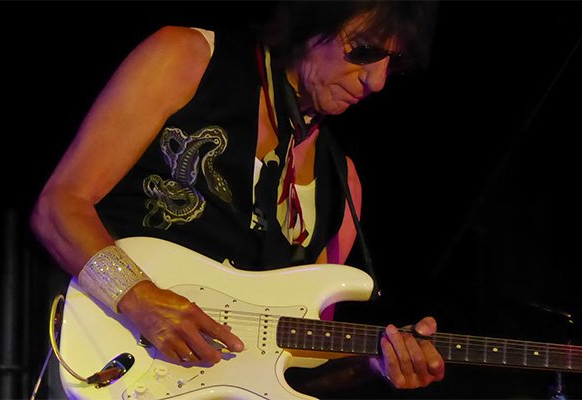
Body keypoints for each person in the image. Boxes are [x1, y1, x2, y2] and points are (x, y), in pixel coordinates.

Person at [31, 1, 443, 396]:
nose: (377, 81)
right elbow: (59, 208)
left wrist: (372, 364)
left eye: (394, 63)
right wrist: (139, 298)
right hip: (108, 366)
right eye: (364, 50)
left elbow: (294, 370)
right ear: (309, 19)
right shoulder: (189, 57)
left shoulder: (342, 186)